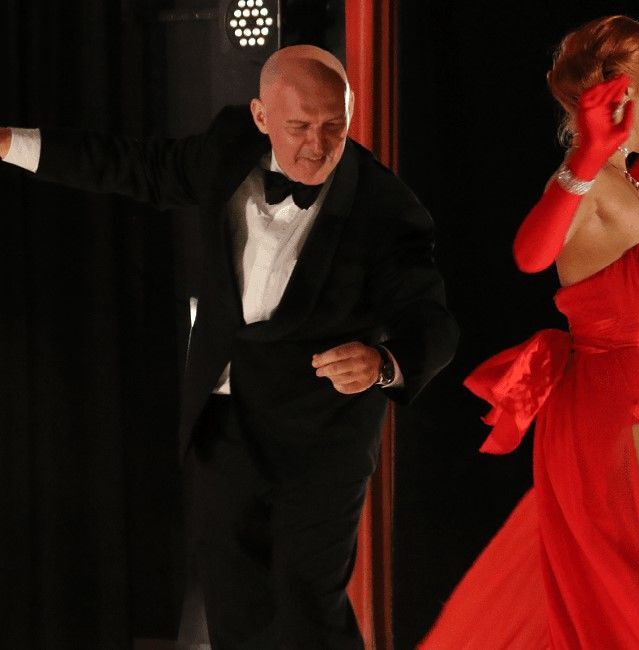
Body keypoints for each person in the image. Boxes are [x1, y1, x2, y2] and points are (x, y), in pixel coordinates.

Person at [0, 45, 457, 648]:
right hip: (224, 422)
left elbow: (431, 319)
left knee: (306, 605)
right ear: (261, 116)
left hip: (321, 437)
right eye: (299, 126)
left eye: (333, 125)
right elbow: (132, 166)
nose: (317, 145)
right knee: (233, 601)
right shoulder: (227, 149)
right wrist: (8, 143)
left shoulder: (386, 207)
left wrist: (385, 364)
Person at [421, 16, 639, 649]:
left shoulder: (616, 181)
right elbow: (531, 253)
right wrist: (584, 157)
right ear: (617, 92)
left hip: (631, 408)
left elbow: (623, 239)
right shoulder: (584, 180)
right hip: (613, 418)